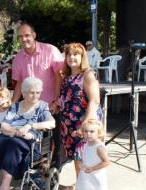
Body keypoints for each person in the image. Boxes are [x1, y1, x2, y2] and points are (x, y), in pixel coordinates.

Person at [0, 77, 55, 190]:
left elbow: (52, 123)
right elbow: (4, 126)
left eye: (38, 92)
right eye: (31, 93)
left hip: (30, 143)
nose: (35, 96)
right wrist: (17, 132)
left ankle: (4, 185)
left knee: (12, 144)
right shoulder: (15, 107)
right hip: (12, 135)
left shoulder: (42, 107)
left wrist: (30, 126)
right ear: (23, 93)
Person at [57, 43, 103, 179]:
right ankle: (80, 185)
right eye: (69, 54)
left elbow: (95, 100)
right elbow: (65, 98)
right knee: (77, 160)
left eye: (75, 54)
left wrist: (85, 125)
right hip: (68, 125)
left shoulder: (87, 74)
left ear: (82, 57)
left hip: (84, 123)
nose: (72, 57)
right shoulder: (65, 77)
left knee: (87, 160)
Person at [12, 21, 64, 113]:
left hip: (51, 108)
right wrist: (13, 104)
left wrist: (56, 101)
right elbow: (19, 83)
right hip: (30, 110)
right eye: (20, 36)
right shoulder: (18, 58)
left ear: (34, 35)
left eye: (27, 35)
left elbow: (59, 77)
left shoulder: (51, 51)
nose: (23, 39)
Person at [75, 119, 110, 190]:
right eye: (86, 131)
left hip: (95, 175)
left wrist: (92, 168)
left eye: (92, 131)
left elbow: (106, 162)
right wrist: (81, 164)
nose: (88, 134)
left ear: (99, 133)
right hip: (86, 174)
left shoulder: (99, 147)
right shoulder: (86, 143)